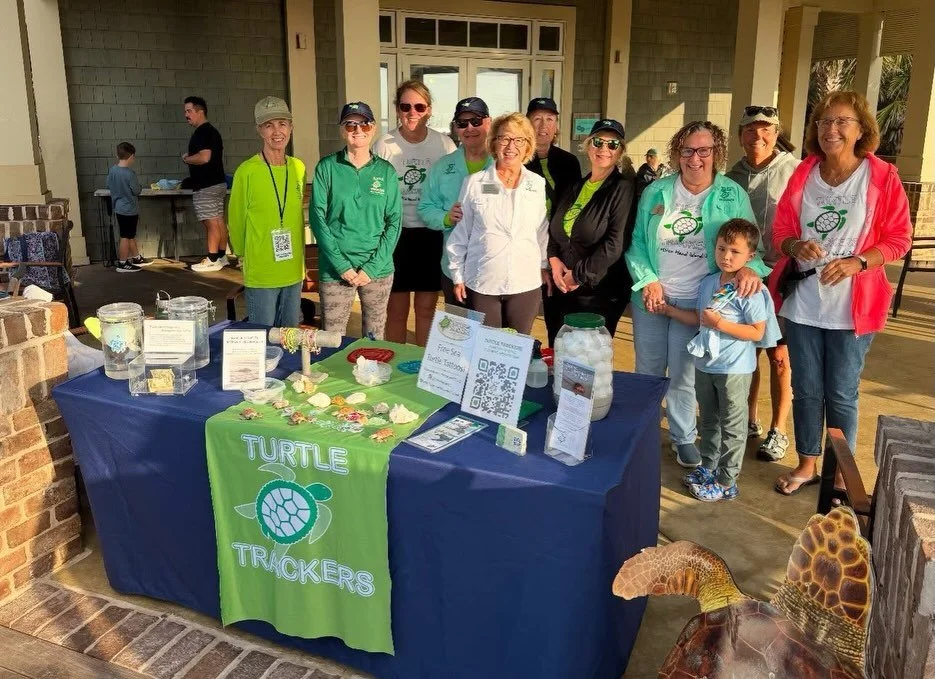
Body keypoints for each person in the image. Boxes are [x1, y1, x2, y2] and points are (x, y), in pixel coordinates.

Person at [768, 90, 912, 496]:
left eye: (842, 121)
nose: (831, 129)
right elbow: (781, 232)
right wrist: (795, 246)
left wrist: (859, 262)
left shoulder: (881, 176)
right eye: (824, 121)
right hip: (803, 303)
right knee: (806, 390)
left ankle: (839, 472)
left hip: (853, 308)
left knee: (842, 393)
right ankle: (807, 463)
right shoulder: (804, 173)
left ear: (861, 129)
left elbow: (899, 239)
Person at [626, 120, 768, 468]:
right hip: (653, 297)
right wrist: (648, 281)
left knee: (683, 375)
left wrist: (751, 269)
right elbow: (638, 243)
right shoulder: (656, 191)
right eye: (687, 150)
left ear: (716, 153)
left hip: (697, 301)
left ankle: (683, 436)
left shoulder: (731, 194)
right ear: (677, 153)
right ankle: (643, 433)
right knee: (648, 370)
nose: (695, 159)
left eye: (704, 150)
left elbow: (752, 248)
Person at [664, 220, 778, 502]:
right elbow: (700, 318)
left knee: (733, 426)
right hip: (706, 365)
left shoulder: (749, 288)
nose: (726, 256)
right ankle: (708, 467)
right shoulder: (708, 283)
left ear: (750, 256)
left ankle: (727, 480)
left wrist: (720, 324)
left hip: (734, 370)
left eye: (735, 251)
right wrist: (669, 310)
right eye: (722, 248)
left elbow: (757, 331)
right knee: (709, 421)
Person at [727, 105, 800, 462]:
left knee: (780, 357)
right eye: (751, 130)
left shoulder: (795, 170)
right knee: (748, 353)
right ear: (740, 135)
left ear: (776, 134)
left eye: (766, 130)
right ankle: (750, 420)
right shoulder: (732, 176)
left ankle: (779, 430)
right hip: (743, 277)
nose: (758, 137)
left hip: (782, 276)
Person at [446, 113, 549, 334]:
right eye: (504, 138)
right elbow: (461, 232)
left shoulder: (537, 184)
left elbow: (541, 230)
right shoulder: (474, 183)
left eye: (519, 140)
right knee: (484, 346)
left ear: (527, 145)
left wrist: (543, 265)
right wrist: (458, 275)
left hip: (525, 282)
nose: (511, 146)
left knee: (518, 347)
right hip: (483, 281)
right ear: (494, 142)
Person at [373, 81, 456, 346]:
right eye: (405, 106)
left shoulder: (444, 144)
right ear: (397, 109)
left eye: (419, 107)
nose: (412, 112)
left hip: (431, 234)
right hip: (395, 235)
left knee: (426, 310)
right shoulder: (384, 144)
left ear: (429, 110)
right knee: (396, 312)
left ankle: (422, 363)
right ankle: (396, 361)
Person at [311, 102, 401, 339]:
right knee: (332, 339)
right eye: (350, 124)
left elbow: (394, 222)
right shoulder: (327, 167)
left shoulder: (386, 171)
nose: (358, 130)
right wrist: (342, 266)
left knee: (374, 337)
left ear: (373, 128)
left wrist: (371, 268)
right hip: (335, 269)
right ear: (342, 130)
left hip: (377, 270)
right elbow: (318, 218)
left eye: (364, 124)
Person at [545, 119, 634, 344]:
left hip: (597, 291)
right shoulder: (575, 186)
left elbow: (614, 244)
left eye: (612, 144)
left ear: (620, 151)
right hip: (562, 287)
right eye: (598, 142)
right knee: (559, 351)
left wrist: (577, 275)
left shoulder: (622, 188)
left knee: (587, 355)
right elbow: (554, 227)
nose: (604, 148)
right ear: (588, 146)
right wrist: (553, 259)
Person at [227, 97, 306, 327]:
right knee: (263, 337)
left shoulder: (298, 168)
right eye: (268, 125)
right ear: (259, 130)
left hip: (293, 270)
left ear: (291, 127)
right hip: (262, 272)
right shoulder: (247, 171)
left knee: (290, 336)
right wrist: (241, 254)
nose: (277, 132)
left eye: (282, 124)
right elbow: (236, 218)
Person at [418, 97, 493, 308]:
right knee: (458, 326)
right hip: (454, 267)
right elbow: (425, 207)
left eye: (476, 121)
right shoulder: (443, 167)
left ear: (489, 122)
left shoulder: (502, 164)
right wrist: (446, 218)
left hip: (493, 268)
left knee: (493, 327)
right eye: (462, 123)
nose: (469, 128)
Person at [182, 96, 229, 273]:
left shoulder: (202, 132)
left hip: (206, 186)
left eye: (189, 111)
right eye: (185, 111)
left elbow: (204, 157)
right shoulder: (212, 132)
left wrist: (187, 159)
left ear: (200, 111)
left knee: (211, 223)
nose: (186, 115)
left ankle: (212, 259)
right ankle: (222, 256)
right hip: (217, 183)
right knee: (218, 220)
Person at [525, 98, 581, 217]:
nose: (543, 125)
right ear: (527, 125)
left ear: (556, 126)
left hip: (558, 228)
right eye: (537, 119)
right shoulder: (519, 160)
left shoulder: (569, 162)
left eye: (549, 119)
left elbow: (575, 202)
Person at [106, 142, 152, 272]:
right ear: (131, 156)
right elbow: (136, 190)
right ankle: (122, 263)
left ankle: (136, 258)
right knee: (125, 236)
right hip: (130, 209)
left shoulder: (113, 170)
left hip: (119, 207)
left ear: (117, 155)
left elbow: (108, 184)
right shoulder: (130, 173)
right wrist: (140, 186)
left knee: (129, 234)